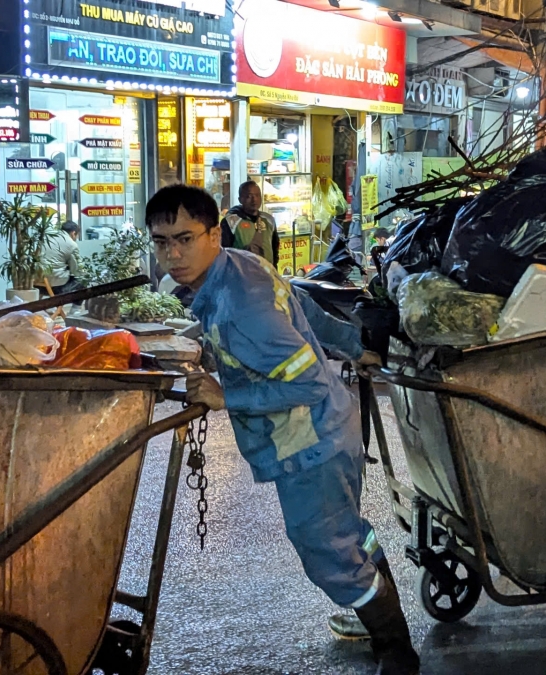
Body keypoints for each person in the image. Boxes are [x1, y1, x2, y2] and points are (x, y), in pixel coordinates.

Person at [145, 185, 420, 675]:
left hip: (309, 443)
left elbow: (309, 386)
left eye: (184, 239)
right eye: (162, 242)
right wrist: (354, 346)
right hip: (331, 430)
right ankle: (379, 617)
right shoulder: (240, 263)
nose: (173, 254)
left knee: (327, 555)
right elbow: (303, 306)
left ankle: (395, 652)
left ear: (213, 233)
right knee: (350, 535)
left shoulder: (240, 305)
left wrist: (225, 396)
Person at [220, 181, 279, 268]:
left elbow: (275, 249)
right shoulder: (231, 221)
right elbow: (223, 254)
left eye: (257, 195)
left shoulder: (269, 220)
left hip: (266, 275)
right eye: (249, 196)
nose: (254, 199)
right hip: (241, 277)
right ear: (240, 199)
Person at [37, 220, 82, 295]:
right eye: (77, 236)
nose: (76, 238)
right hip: (55, 287)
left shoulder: (47, 237)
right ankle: (76, 307)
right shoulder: (72, 244)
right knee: (83, 279)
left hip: (37, 284)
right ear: (73, 233)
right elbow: (76, 269)